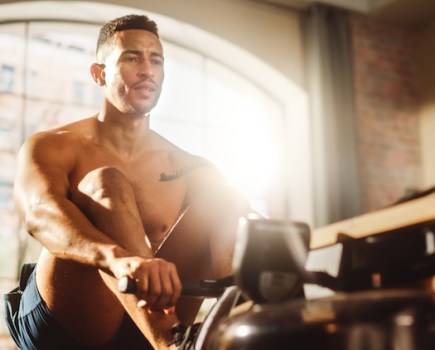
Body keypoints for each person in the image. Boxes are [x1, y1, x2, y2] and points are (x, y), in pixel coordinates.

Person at [8, 14, 251, 350]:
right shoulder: (55, 145)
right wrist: (117, 259)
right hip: (65, 323)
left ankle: (245, 332)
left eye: (156, 60)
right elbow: (39, 214)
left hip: (143, 328)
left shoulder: (190, 168)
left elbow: (242, 234)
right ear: (99, 74)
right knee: (107, 183)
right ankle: (171, 342)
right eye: (132, 57)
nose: (147, 69)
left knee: (227, 200)